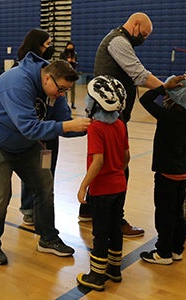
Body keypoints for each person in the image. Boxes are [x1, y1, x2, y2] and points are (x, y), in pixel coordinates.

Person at [0, 52, 91, 265]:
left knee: (45, 186)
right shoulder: (16, 82)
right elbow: (30, 127)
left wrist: (92, 126)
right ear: (47, 78)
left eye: (66, 90)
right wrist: (67, 126)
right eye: (61, 89)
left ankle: (48, 239)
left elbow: (64, 124)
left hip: (24, 143)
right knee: (0, 196)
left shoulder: (56, 93)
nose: (62, 94)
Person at [78, 12, 164, 237]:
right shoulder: (118, 41)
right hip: (109, 119)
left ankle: (88, 208)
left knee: (104, 164)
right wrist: (167, 90)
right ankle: (116, 219)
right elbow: (140, 75)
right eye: (143, 34)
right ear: (135, 24)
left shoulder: (119, 39)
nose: (143, 39)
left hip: (108, 117)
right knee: (117, 168)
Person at [14, 29, 82, 226]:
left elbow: (63, 115)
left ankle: (43, 208)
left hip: (50, 133)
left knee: (47, 170)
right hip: (32, 134)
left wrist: (83, 127)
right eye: (46, 44)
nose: (49, 48)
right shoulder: (23, 75)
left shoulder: (55, 77)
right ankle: (28, 208)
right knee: (30, 172)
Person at [138, 75, 186, 264]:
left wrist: (164, 87)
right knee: (177, 212)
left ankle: (163, 252)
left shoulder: (168, 116)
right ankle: (176, 249)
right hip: (183, 174)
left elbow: (144, 99)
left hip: (166, 174)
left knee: (164, 214)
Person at [76, 75, 130, 291]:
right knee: (115, 228)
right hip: (120, 185)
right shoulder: (120, 124)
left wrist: (83, 186)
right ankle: (114, 270)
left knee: (99, 231)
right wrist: (117, 170)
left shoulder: (96, 127)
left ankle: (97, 276)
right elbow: (126, 156)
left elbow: (97, 161)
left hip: (102, 190)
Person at [60, 41, 78, 109]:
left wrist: (74, 62)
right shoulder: (62, 54)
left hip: (72, 73)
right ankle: (65, 102)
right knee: (65, 89)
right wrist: (67, 61)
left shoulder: (75, 54)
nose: (70, 48)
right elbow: (60, 63)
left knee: (73, 90)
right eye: (69, 47)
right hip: (65, 73)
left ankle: (73, 103)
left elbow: (77, 63)